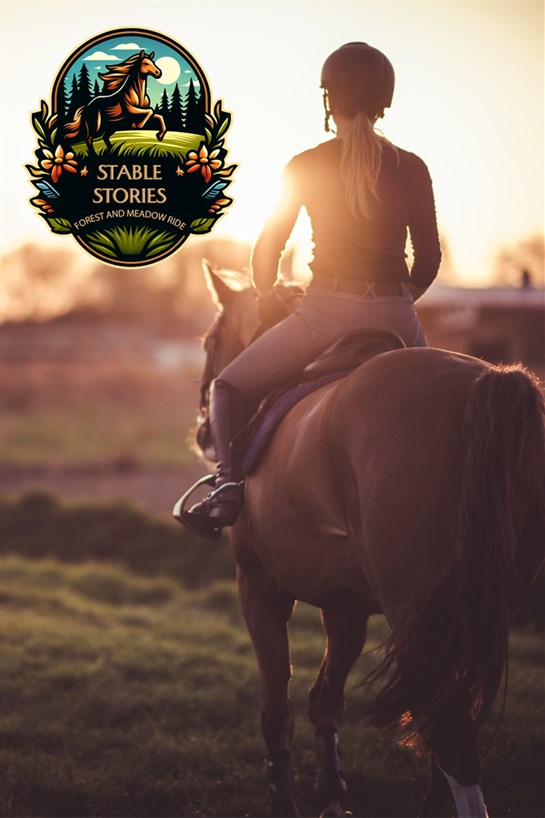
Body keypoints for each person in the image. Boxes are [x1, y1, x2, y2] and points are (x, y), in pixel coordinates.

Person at [176, 41, 442, 538]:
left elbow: (268, 247)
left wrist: (266, 294)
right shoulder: (413, 167)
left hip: (325, 313)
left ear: (328, 101)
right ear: (385, 101)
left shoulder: (305, 164)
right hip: (399, 318)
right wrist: (396, 302)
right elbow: (428, 260)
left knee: (227, 386)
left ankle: (228, 487)